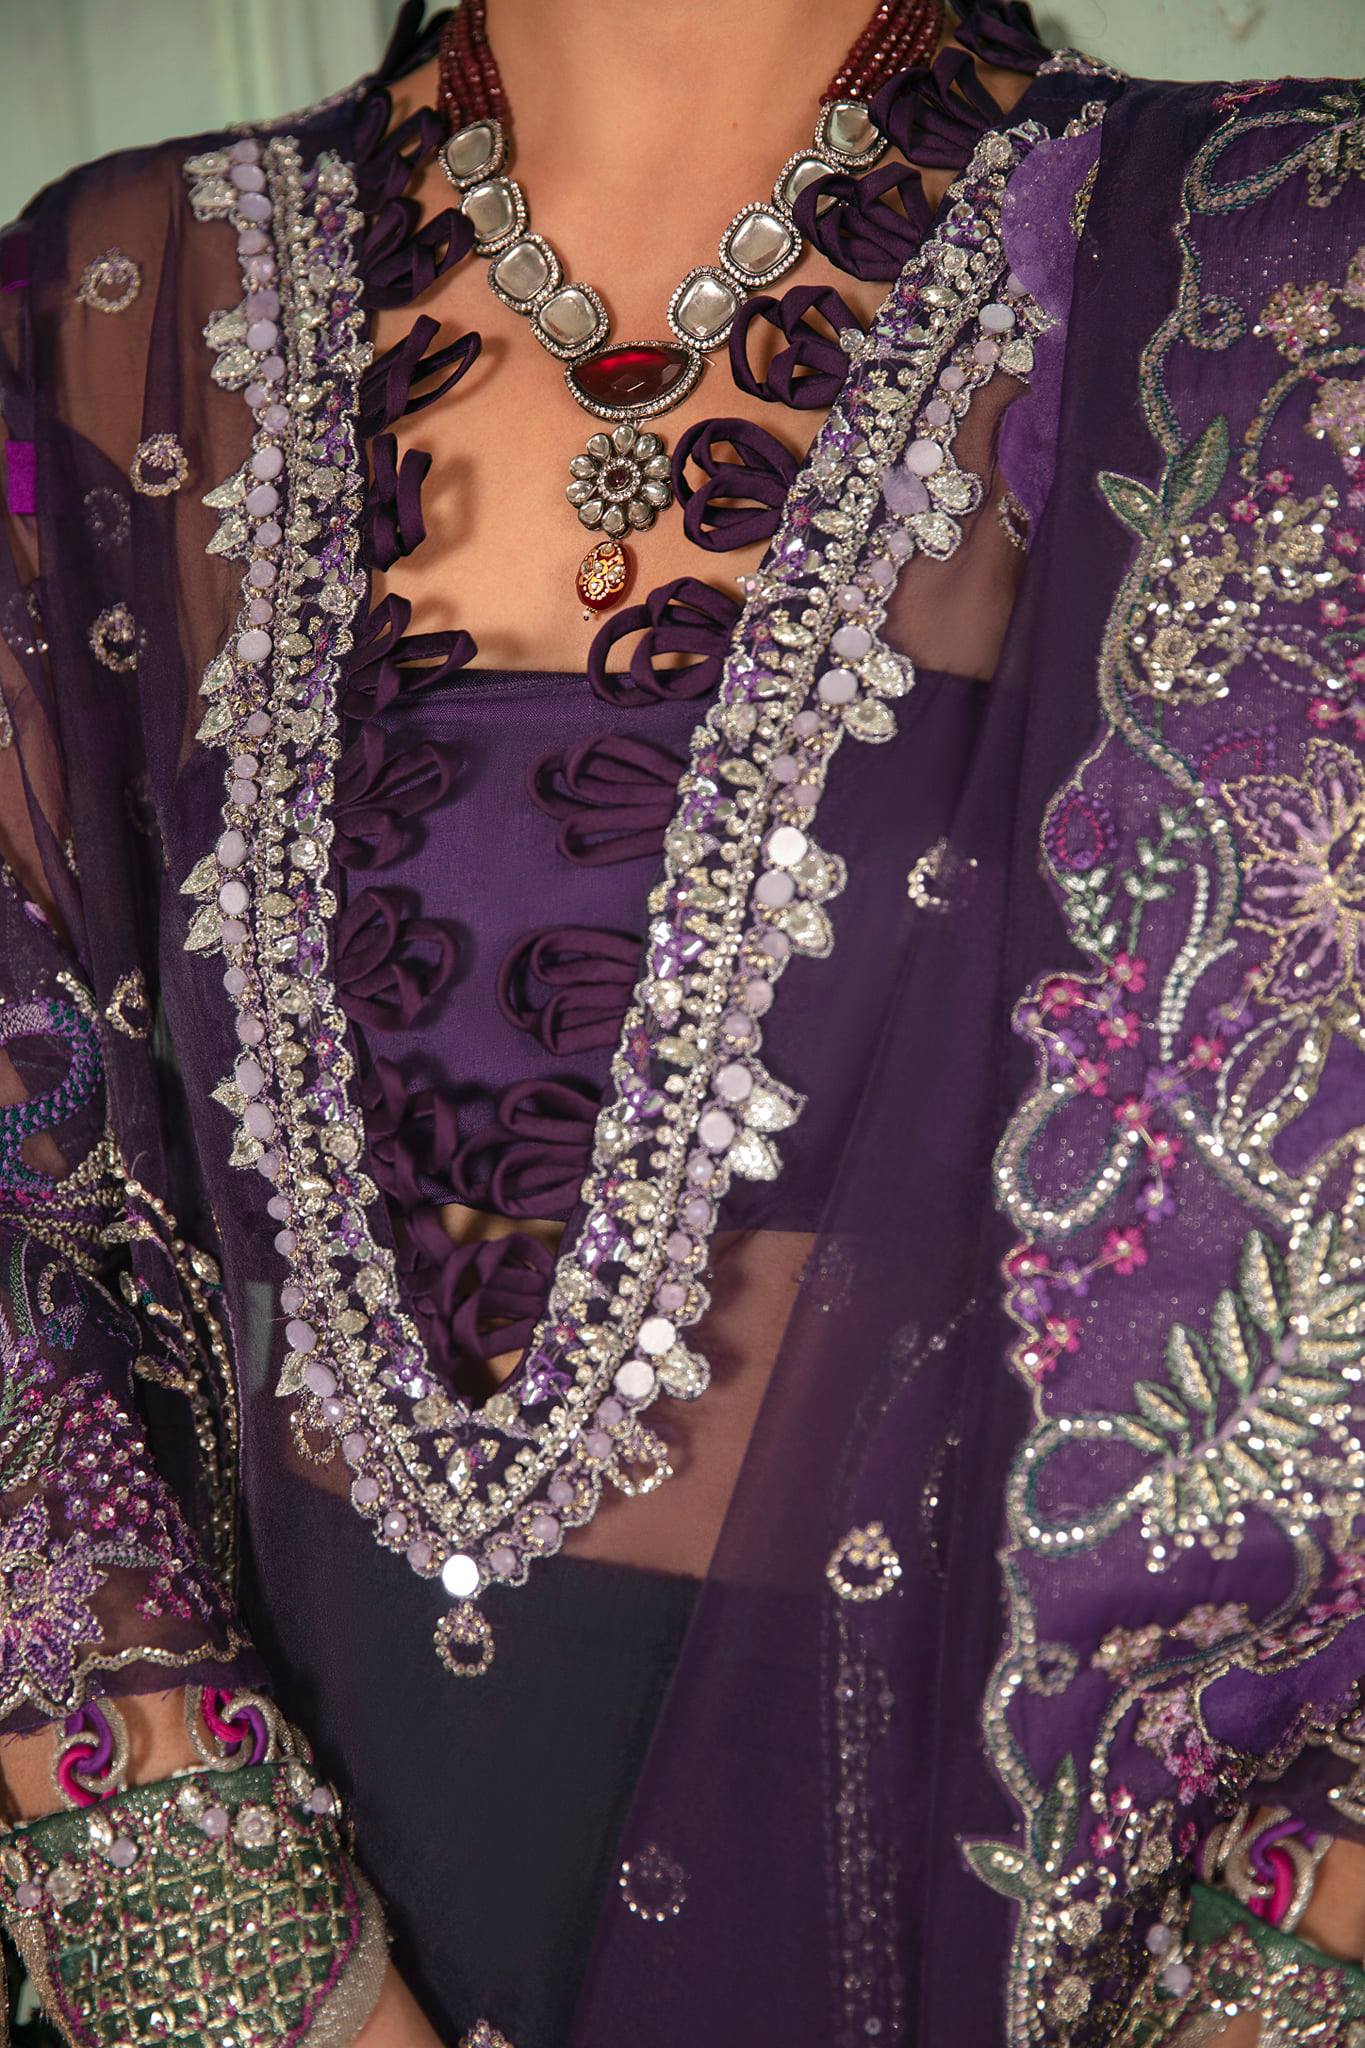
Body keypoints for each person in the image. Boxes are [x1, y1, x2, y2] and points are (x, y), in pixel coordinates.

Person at [0, 1, 1362, 2042]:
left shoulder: (1284, 271)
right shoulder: (102, 304)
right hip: (289, 1909)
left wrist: (1274, 1981)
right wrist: (229, 1961)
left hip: (1060, 1938)